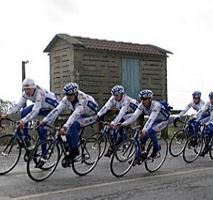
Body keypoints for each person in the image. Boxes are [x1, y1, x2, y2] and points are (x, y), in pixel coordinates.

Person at [38, 82, 99, 161]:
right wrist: (44, 121)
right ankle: (71, 150)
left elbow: (75, 114)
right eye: (66, 95)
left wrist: (65, 127)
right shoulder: (66, 99)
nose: (68, 97)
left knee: (73, 126)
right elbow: (56, 110)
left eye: (70, 95)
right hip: (82, 114)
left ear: (76, 94)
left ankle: (75, 151)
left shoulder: (83, 99)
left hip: (92, 116)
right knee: (68, 131)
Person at [0, 78, 59, 147]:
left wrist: (23, 121)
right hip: (42, 107)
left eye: (28, 89)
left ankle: (44, 155)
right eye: (25, 89)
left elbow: (35, 111)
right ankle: (26, 138)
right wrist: (6, 115)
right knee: (24, 112)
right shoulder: (25, 93)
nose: (26, 91)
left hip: (53, 110)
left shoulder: (40, 93)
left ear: (33, 88)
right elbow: (18, 105)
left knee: (41, 129)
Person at [117, 89, 170, 160]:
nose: (142, 101)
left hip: (163, 121)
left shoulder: (156, 105)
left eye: (144, 99)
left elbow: (151, 119)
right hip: (155, 121)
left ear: (150, 99)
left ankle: (156, 149)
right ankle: (139, 156)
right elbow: (134, 116)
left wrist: (144, 130)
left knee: (149, 132)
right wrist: (123, 124)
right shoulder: (141, 105)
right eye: (141, 99)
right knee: (142, 137)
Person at [97, 85, 139, 157]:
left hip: (133, 113)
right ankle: (117, 143)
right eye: (114, 95)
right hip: (125, 113)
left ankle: (119, 143)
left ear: (122, 95)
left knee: (117, 123)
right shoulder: (113, 98)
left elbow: (121, 114)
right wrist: (97, 115)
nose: (115, 97)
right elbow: (105, 107)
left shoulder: (126, 100)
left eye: (117, 95)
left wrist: (113, 123)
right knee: (116, 124)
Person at [190, 91, 213, 156]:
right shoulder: (208, 103)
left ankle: (207, 147)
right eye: (210, 98)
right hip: (211, 117)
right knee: (206, 130)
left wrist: (209, 123)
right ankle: (206, 143)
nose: (211, 100)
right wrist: (194, 117)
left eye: (212, 99)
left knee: (210, 129)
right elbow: (201, 110)